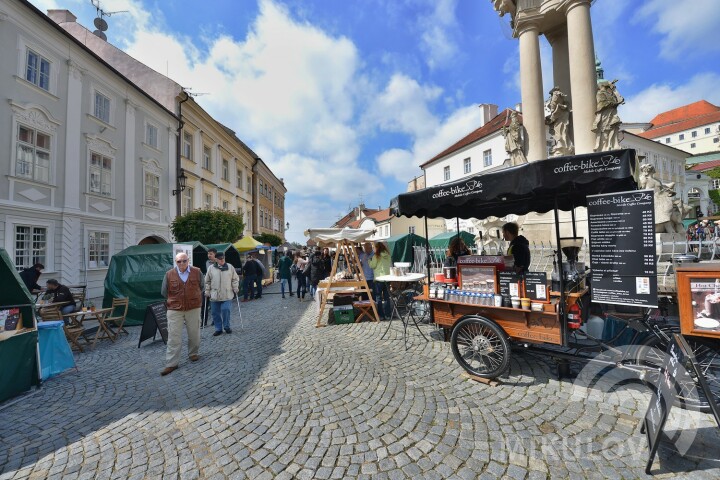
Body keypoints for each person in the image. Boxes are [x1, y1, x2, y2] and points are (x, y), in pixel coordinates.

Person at [160, 252, 204, 376]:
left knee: (194, 333)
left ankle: (193, 353)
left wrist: (192, 296)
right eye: (179, 261)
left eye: (184, 261)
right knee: (173, 337)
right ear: (176, 262)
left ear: (188, 260)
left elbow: (202, 287)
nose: (182, 263)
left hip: (193, 307)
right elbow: (164, 292)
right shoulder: (169, 274)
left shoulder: (197, 272)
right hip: (174, 309)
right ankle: (171, 363)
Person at [205, 252, 239, 336]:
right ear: (216, 260)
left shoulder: (230, 267)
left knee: (225, 310)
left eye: (223, 258)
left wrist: (235, 287)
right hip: (214, 294)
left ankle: (227, 326)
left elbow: (235, 278)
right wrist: (207, 291)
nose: (222, 260)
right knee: (215, 313)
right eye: (220, 259)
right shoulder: (211, 268)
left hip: (227, 294)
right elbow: (207, 281)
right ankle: (218, 328)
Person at [593, 79, 624, 152]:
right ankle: (605, 146)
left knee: (614, 128)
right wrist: (614, 103)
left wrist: (615, 90)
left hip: (612, 113)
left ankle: (613, 144)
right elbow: (602, 103)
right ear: (602, 85)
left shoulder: (610, 94)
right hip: (605, 114)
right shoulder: (600, 93)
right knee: (605, 130)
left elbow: (619, 100)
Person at [369, 242, 392, 319]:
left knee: (378, 298)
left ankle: (381, 316)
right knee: (386, 298)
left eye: (374, 247)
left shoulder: (376, 256)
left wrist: (369, 260)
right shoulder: (388, 255)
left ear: (377, 248)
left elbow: (373, 265)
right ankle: (388, 315)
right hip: (387, 278)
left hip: (379, 279)